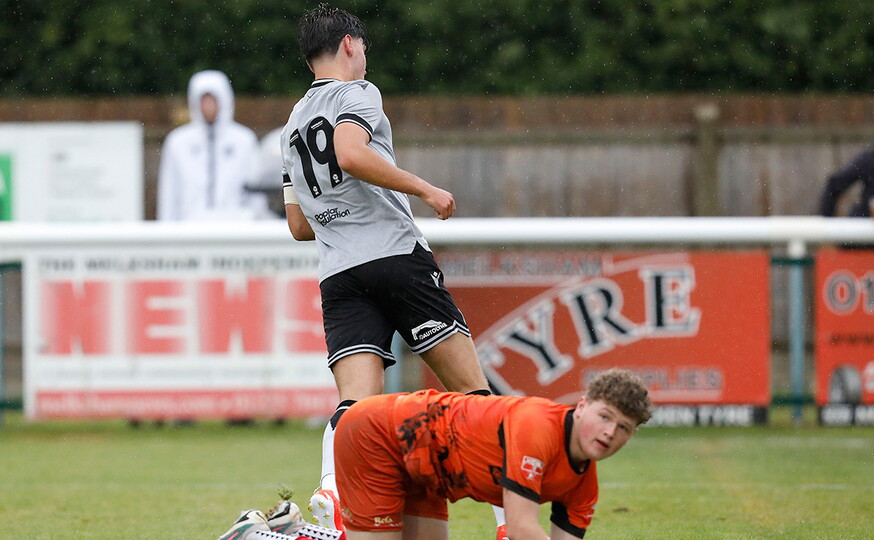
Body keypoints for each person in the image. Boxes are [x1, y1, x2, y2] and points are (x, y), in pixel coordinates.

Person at [278, 4, 494, 534]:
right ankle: (511, 520)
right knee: (474, 395)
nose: (365, 57)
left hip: (339, 274)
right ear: (349, 44)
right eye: (364, 48)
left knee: (355, 406)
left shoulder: (290, 126)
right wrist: (424, 188)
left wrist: (338, 216)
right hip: (395, 258)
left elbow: (299, 226)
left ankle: (331, 489)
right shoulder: (357, 94)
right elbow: (351, 154)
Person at [333, 369, 653, 540]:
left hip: (427, 470)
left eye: (623, 428)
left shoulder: (584, 487)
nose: (609, 432)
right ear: (581, 406)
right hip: (377, 432)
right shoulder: (538, 426)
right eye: (605, 417)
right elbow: (520, 529)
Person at [158, 69, 268, 221]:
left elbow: (255, 191)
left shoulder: (244, 140)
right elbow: (169, 194)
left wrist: (255, 223)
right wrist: (167, 228)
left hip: (234, 227)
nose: (208, 107)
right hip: (190, 227)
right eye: (203, 101)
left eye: (212, 100)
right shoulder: (178, 142)